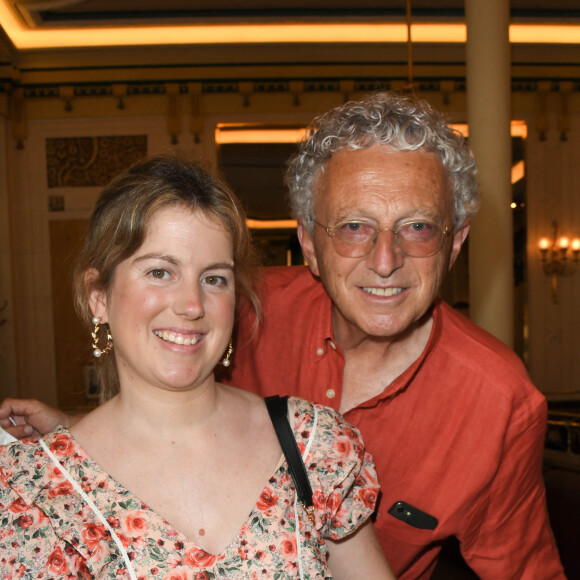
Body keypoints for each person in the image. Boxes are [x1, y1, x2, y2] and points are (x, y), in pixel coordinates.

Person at [1, 92, 566, 579]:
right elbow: (166, 392)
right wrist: (76, 448)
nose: (386, 260)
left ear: (456, 242)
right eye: (354, 227)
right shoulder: (244, 308)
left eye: (417, 227)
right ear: (311, 244)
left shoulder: (500, 403)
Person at [0, 155, 394, 579]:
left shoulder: (312, 444)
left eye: (213, 279)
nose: (191, 305)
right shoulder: (35, 493)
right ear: (99, 296)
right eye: (159, 271)